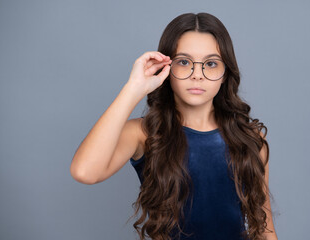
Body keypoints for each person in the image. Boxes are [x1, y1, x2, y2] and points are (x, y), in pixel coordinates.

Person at [70, 12, 278, 240]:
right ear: (166, 68)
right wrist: (134, 88)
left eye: (210, 64)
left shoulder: (251, 139)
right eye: (184, 62)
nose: (197, 75)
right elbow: (84, 172)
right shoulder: (144, 133)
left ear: (225, 72)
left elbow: (264, 229)